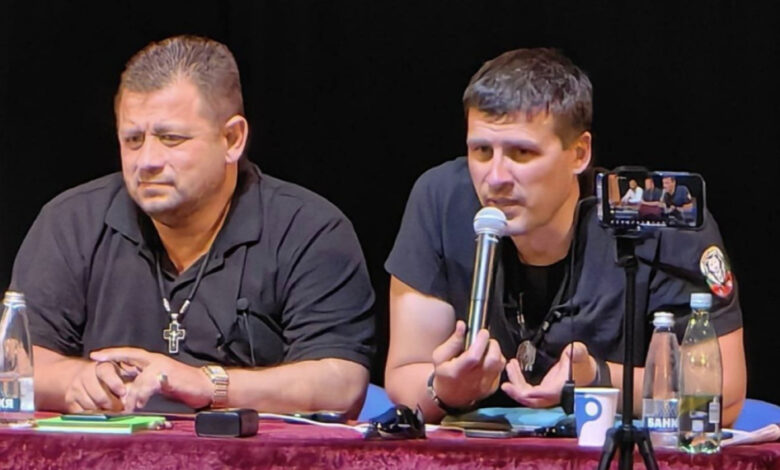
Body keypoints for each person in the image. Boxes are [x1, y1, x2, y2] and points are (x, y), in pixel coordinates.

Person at [11, 35, 375, 416]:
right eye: (133, 140)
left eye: (171, 138)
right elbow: (16, 361)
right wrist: (77, 381)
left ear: (232, 139)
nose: (147, 161)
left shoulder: (309, 230)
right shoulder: (70, 222)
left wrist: (208, 385)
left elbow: (341, 384)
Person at [384, 48, 746, 425]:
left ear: (579, 153)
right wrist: (445, 390)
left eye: (522, 153)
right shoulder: (441, 199)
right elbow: (405, 372)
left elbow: (723, 395)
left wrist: (595, 379)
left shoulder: (660, 220)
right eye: (482, 151)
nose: (495, 178)